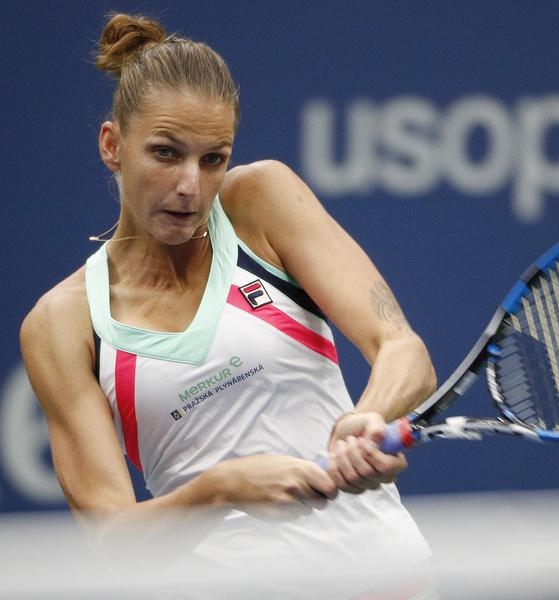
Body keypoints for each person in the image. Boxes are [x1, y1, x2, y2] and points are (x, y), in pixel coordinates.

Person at [19, 12, 437, 599]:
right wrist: (221, 488)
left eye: (213, 159)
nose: (190, 186)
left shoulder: (260, 201)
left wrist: (366, 418)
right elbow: (114, 543)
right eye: (165, 153)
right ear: (112, 145)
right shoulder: (61, 324)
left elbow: (402, 349)